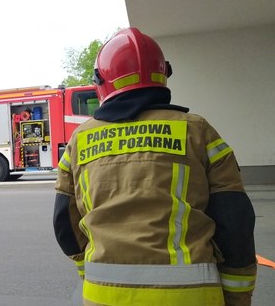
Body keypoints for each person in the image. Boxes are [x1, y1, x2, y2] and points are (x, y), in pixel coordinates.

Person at [53, 28, 256, 306]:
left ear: (102, 81)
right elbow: (235, 221)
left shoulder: (80, 140)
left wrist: (86, 270)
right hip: (192, 294)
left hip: (103, 294)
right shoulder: (197, 130)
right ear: (163, 74)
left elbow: (64, 221)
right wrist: (237, 293)